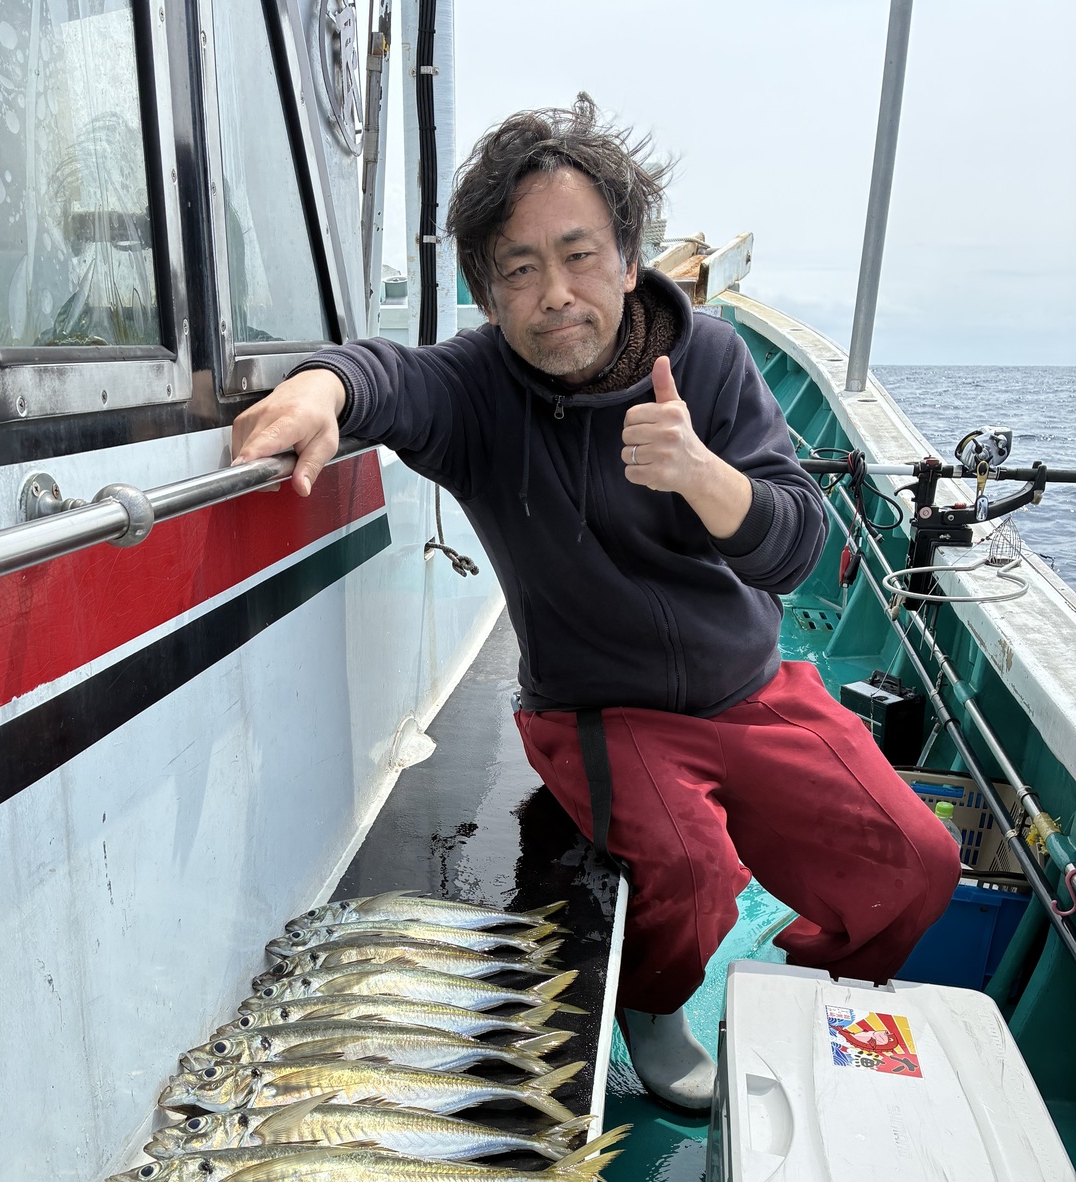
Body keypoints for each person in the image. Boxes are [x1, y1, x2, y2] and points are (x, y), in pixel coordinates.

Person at [231, 96, 960, 1110]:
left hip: (750, 688)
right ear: (487, 292)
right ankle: (653, 1010)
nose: (554, 295)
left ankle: (799, 990)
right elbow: (389, 376)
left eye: (578, 256)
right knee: (692, 874)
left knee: (919, 860)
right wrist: (321, 388)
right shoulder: (478, 389)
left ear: (626, 259)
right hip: (598, 710)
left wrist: (704, 476)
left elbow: (795, 548)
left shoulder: (708, 362)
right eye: (518, 270)